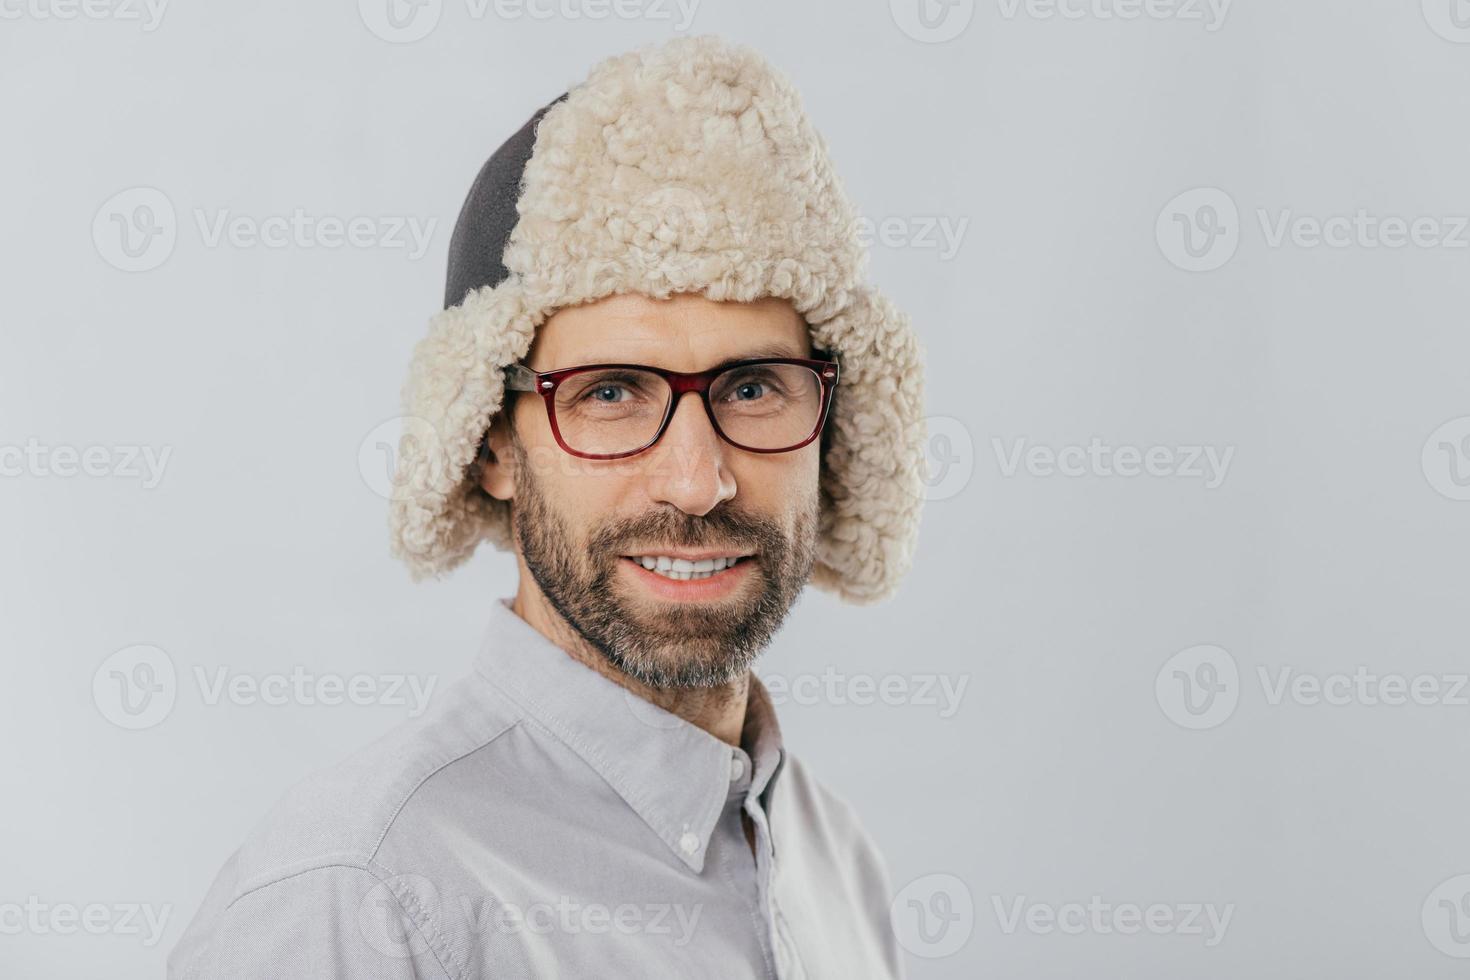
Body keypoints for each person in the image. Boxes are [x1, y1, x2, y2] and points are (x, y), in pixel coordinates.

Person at [169, 34, 927, 978]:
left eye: (752, 388)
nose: (697, 481)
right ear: (491, 442)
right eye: (610, 393)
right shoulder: (358, 897)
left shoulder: (836, 861)